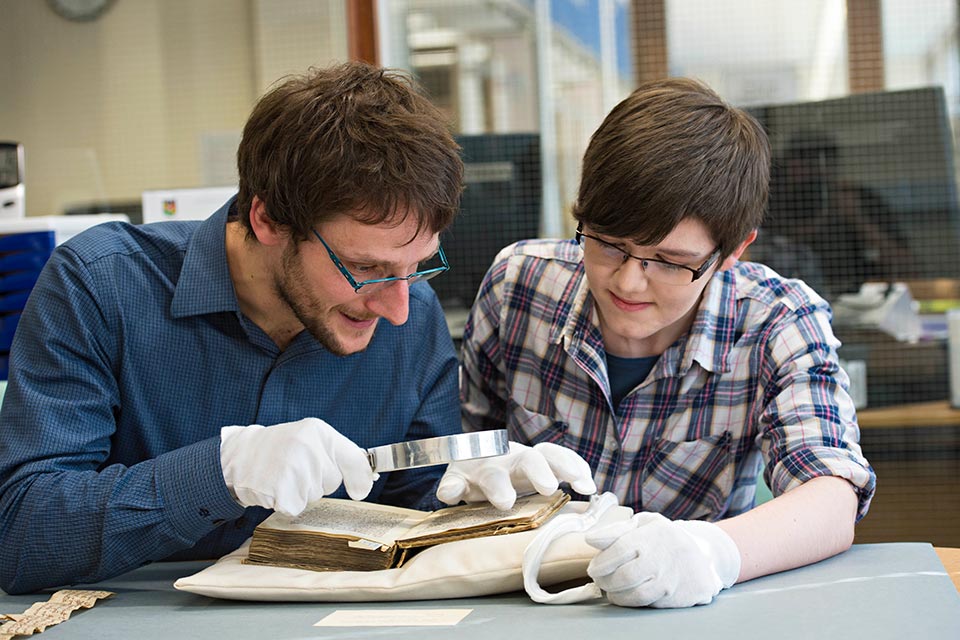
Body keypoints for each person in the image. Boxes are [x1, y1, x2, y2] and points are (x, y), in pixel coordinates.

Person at [0, 62, 589, 595]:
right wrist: (220, 471)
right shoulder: (101, 288)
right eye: (365, 269)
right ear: (267, 219)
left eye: (416, 268)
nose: (398, 308)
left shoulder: (412, 318)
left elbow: (420, 510)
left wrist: (492, 506)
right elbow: (20, 534)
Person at [451, 78, 877, 608]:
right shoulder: (519, 285)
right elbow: (462, 449)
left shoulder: (778, 320)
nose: (628, 282)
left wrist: (711, 552)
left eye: (671, 262)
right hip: (521, 601)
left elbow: (832, 497)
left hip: (688, 611)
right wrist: (469, 473)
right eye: (608, 244)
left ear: (731, 251)